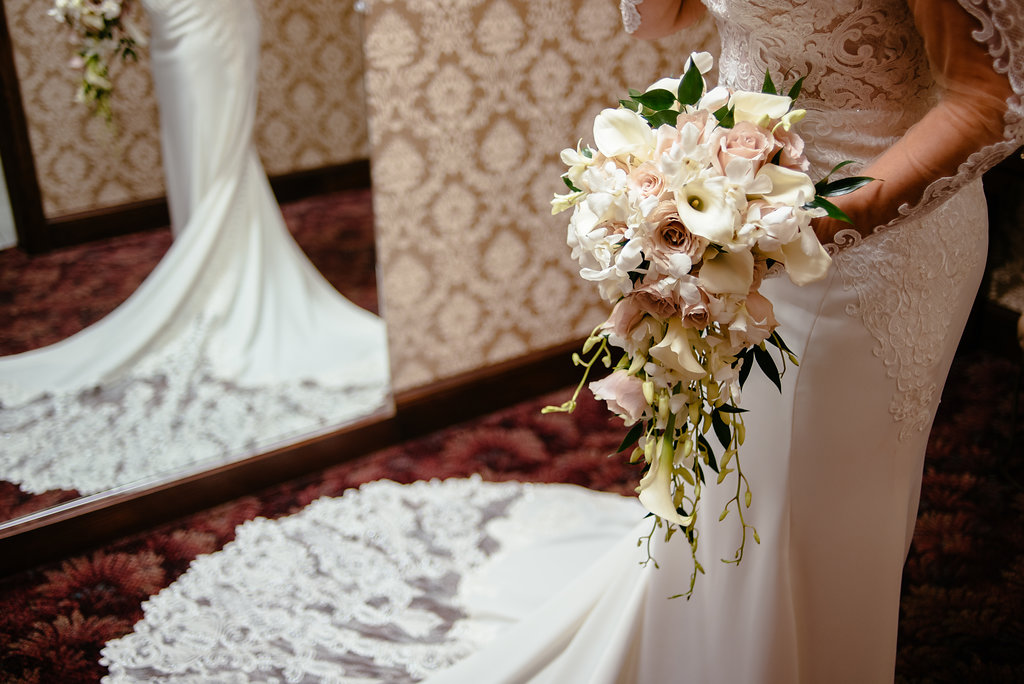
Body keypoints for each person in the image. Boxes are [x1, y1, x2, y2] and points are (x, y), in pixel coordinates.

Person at [99, 1, 1023, 682]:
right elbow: (672, 20)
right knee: (737, 493)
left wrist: (803, 228)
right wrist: (706, 204)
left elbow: (991, 103)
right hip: (733, 205)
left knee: (814, 508)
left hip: (874, 250)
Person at [0, 0, 390, 496]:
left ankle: (222, 282)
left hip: (210, 13)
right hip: (168, 15)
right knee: (194, 148)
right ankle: (205, 266)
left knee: (219, 149)